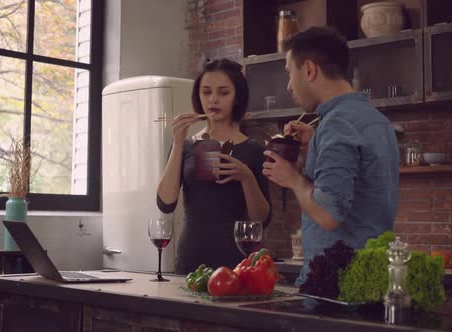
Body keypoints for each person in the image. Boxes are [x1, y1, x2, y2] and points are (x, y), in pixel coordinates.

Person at [262, 27, 400, 286]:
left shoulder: (337, 125)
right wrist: (316, 142)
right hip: (373, 278)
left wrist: (293, 179)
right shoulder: (377, 120)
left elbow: (328, 214)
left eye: (290, 73)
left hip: (336, 284)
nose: (289, 85)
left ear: (310, 70)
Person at [157, 58, 271, 275]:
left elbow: (261, 220)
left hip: (237, 261)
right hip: (191, 258)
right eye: (206, 92)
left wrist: (247, 178)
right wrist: (179, 143)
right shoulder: (187, 145)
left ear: (237, 97)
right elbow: (165, 203)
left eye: (224, 92)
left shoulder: (254, 150)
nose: (213, 99)